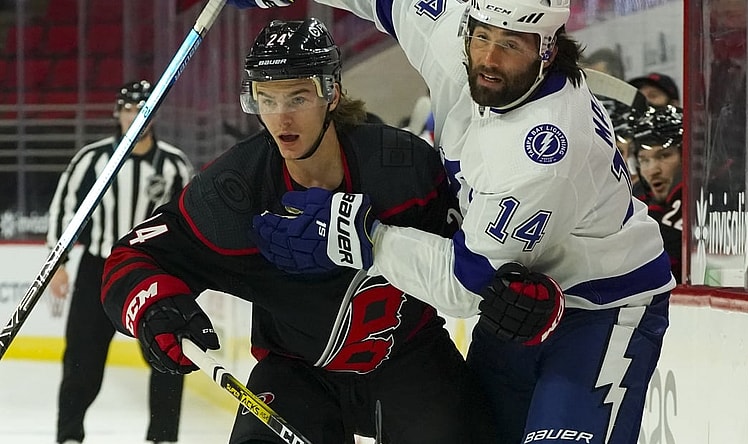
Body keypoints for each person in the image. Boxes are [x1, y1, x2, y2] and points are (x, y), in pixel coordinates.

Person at [234, 0, 677, 443]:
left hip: (600, 307)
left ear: (547, 49)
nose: (489, 59)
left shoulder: (543, 152)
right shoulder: (454, 36)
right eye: (482, 36)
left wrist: (360, 233)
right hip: (513, 303)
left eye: (512, 44)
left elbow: (462, 287)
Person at [100, 18, 493, 444]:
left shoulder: (402, 166)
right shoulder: (235, 190)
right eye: (266, 98)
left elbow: (475, 253)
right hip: (296, 373)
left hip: (409, 359)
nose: (281, 117)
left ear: (332, 93)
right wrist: (154, 307)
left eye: (298, 96)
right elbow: (133, 257)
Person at [47, 80, 193, 444]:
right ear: (118, 113)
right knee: (81, 357)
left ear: (153, 115)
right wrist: (58, 262)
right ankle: (69, 436)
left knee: (167, 353)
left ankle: (162, 437)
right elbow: (65, 210)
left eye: (142, 109)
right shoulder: (91, 160)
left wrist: (191, 271)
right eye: (128, 109)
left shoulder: (175, 165)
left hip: (153, 270)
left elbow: (191, 222)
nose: (135, 117)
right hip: (98, 269)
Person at [631, 105, 684, 279]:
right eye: (644, 160)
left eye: (664, 156)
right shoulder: (633, 201)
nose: (653, 170)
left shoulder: (709, 198)